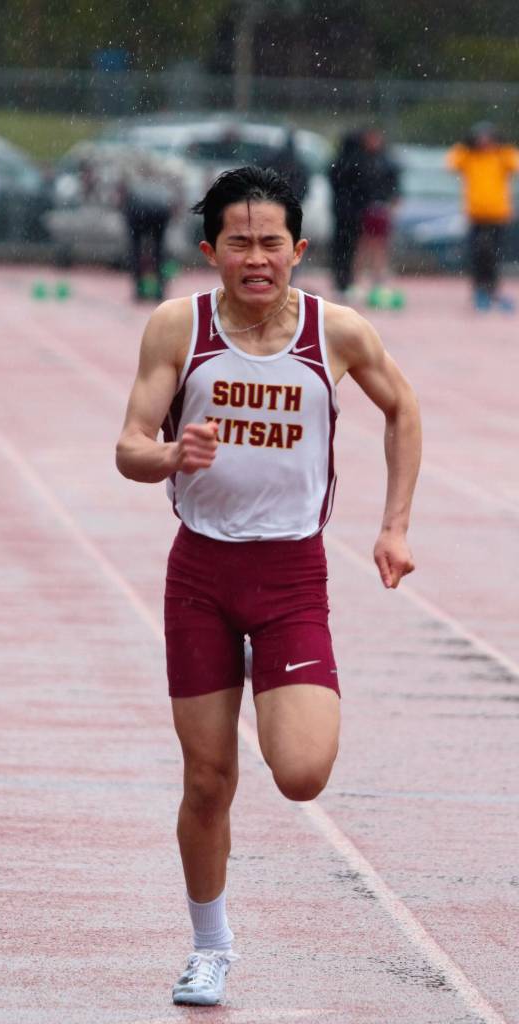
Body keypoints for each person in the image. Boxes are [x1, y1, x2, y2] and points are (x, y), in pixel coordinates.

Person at [115, 166, 421, 1007]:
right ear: (210, 250)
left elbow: (404, 410)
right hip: (201, 574)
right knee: (208, 779)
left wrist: (394, 526)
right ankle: (210, 946)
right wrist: (171, 454)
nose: (257, 258)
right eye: (240, 243)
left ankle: (278, 680)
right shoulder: (178, 326)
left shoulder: (337, 331)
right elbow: (129, 446)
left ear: (300, 249)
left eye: (271, 243)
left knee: (302, 772)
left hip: (290, 577)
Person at [446, 121, 519, 311]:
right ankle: (479, 290)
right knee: (478, 254)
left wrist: (502, 147)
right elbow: (451, 163)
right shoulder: (469, 157)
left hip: (498, 215)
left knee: (494, 255)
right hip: (476, 215)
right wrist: (465, 145)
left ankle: (492, 290)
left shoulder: (501, 156)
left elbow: (515, 162)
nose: (484, 142)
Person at [121, 153, 181, 302]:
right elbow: (172, 202)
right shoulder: (160, 183)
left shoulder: (133, 183)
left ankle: (139, 289)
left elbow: (123, 203)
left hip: (139, 213)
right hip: (159, 213)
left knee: (136, 251)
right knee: (159, 252)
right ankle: (159, 290)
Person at [355, 128, 401, 306]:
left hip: (380, 208)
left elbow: (394, 186)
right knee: (364, 245)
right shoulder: (362, 161)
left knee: (380, 247)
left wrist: (392, 204)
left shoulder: (387, 162)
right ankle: (359, 282)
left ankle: (379, 282)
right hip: (365, 209)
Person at [328, 130, 369, 300]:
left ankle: (339, 280)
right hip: (354, 212)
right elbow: (364, 187)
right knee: (351, 248)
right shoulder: (359, 163)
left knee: (339, 247)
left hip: (339, 211)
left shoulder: (337, 162)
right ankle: (347, 281)